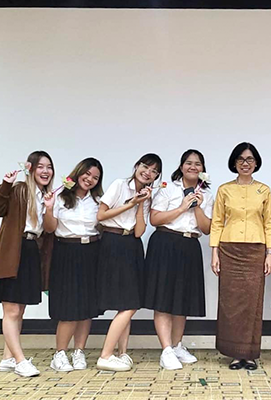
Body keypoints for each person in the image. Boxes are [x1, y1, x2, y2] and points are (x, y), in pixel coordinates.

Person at [0, 150, 55, 377]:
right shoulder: (19, 190)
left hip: (31, 251)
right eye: (41, 166)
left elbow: (50, 229)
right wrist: (5, 184)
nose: (46, 171)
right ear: (30, 168)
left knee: (20, 310)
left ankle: (8, 358)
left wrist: (51, 206)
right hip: (12, 251)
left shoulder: (46, 196)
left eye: (49, 167)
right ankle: (20, 360)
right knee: (12, 310)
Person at [144, 150, 213, 370]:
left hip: (189, 245)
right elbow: (155, 219)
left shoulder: (208, 195)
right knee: (163, 298)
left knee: (182, 299)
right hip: (165, 242)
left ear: (203, 169)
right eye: (189, 163)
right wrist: (182, 207)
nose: (193, 167)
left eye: (198, 164)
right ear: (181, 166)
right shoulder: (168, 188)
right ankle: (165, 350)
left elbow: (207, 228)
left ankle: (176, 345)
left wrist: (198, 207)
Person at [210, 142, 271, 370]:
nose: (245, 164)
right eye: (240, 159)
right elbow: (217, 222)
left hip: (256, 251)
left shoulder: (264, 190)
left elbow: (270, 223)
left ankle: (249, 353)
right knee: (230, 302)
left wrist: (270, 254)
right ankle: (234, 354)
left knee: (252, 303)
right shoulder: (224, 189)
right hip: (229, 250)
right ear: (234, 163)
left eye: (249, 159)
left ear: (256, 163)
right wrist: (214, 253)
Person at [95, 153, 162, 372]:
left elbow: (139, 231)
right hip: (113, 241)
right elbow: (101, 215)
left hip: (132, 245)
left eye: (154, 171)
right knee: (129, 304)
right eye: (145, 167)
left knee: (130, 300)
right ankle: (105, 355)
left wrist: (141, 204)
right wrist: (131, 203)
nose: (148, 173)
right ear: (136, 166)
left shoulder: (147, 195)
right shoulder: (119, 185)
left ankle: (122, 353)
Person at [43, 158, 104, 372]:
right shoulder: (60, 197)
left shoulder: (99, 201)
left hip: (91, 252)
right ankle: (59, 354)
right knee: (69, 307)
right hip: (66, 251)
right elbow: (50, 228)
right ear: (78, 173)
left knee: (86, 307)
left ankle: (79, 352)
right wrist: (49, 209)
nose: (90, 179)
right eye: (87, 174)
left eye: (95, 177)